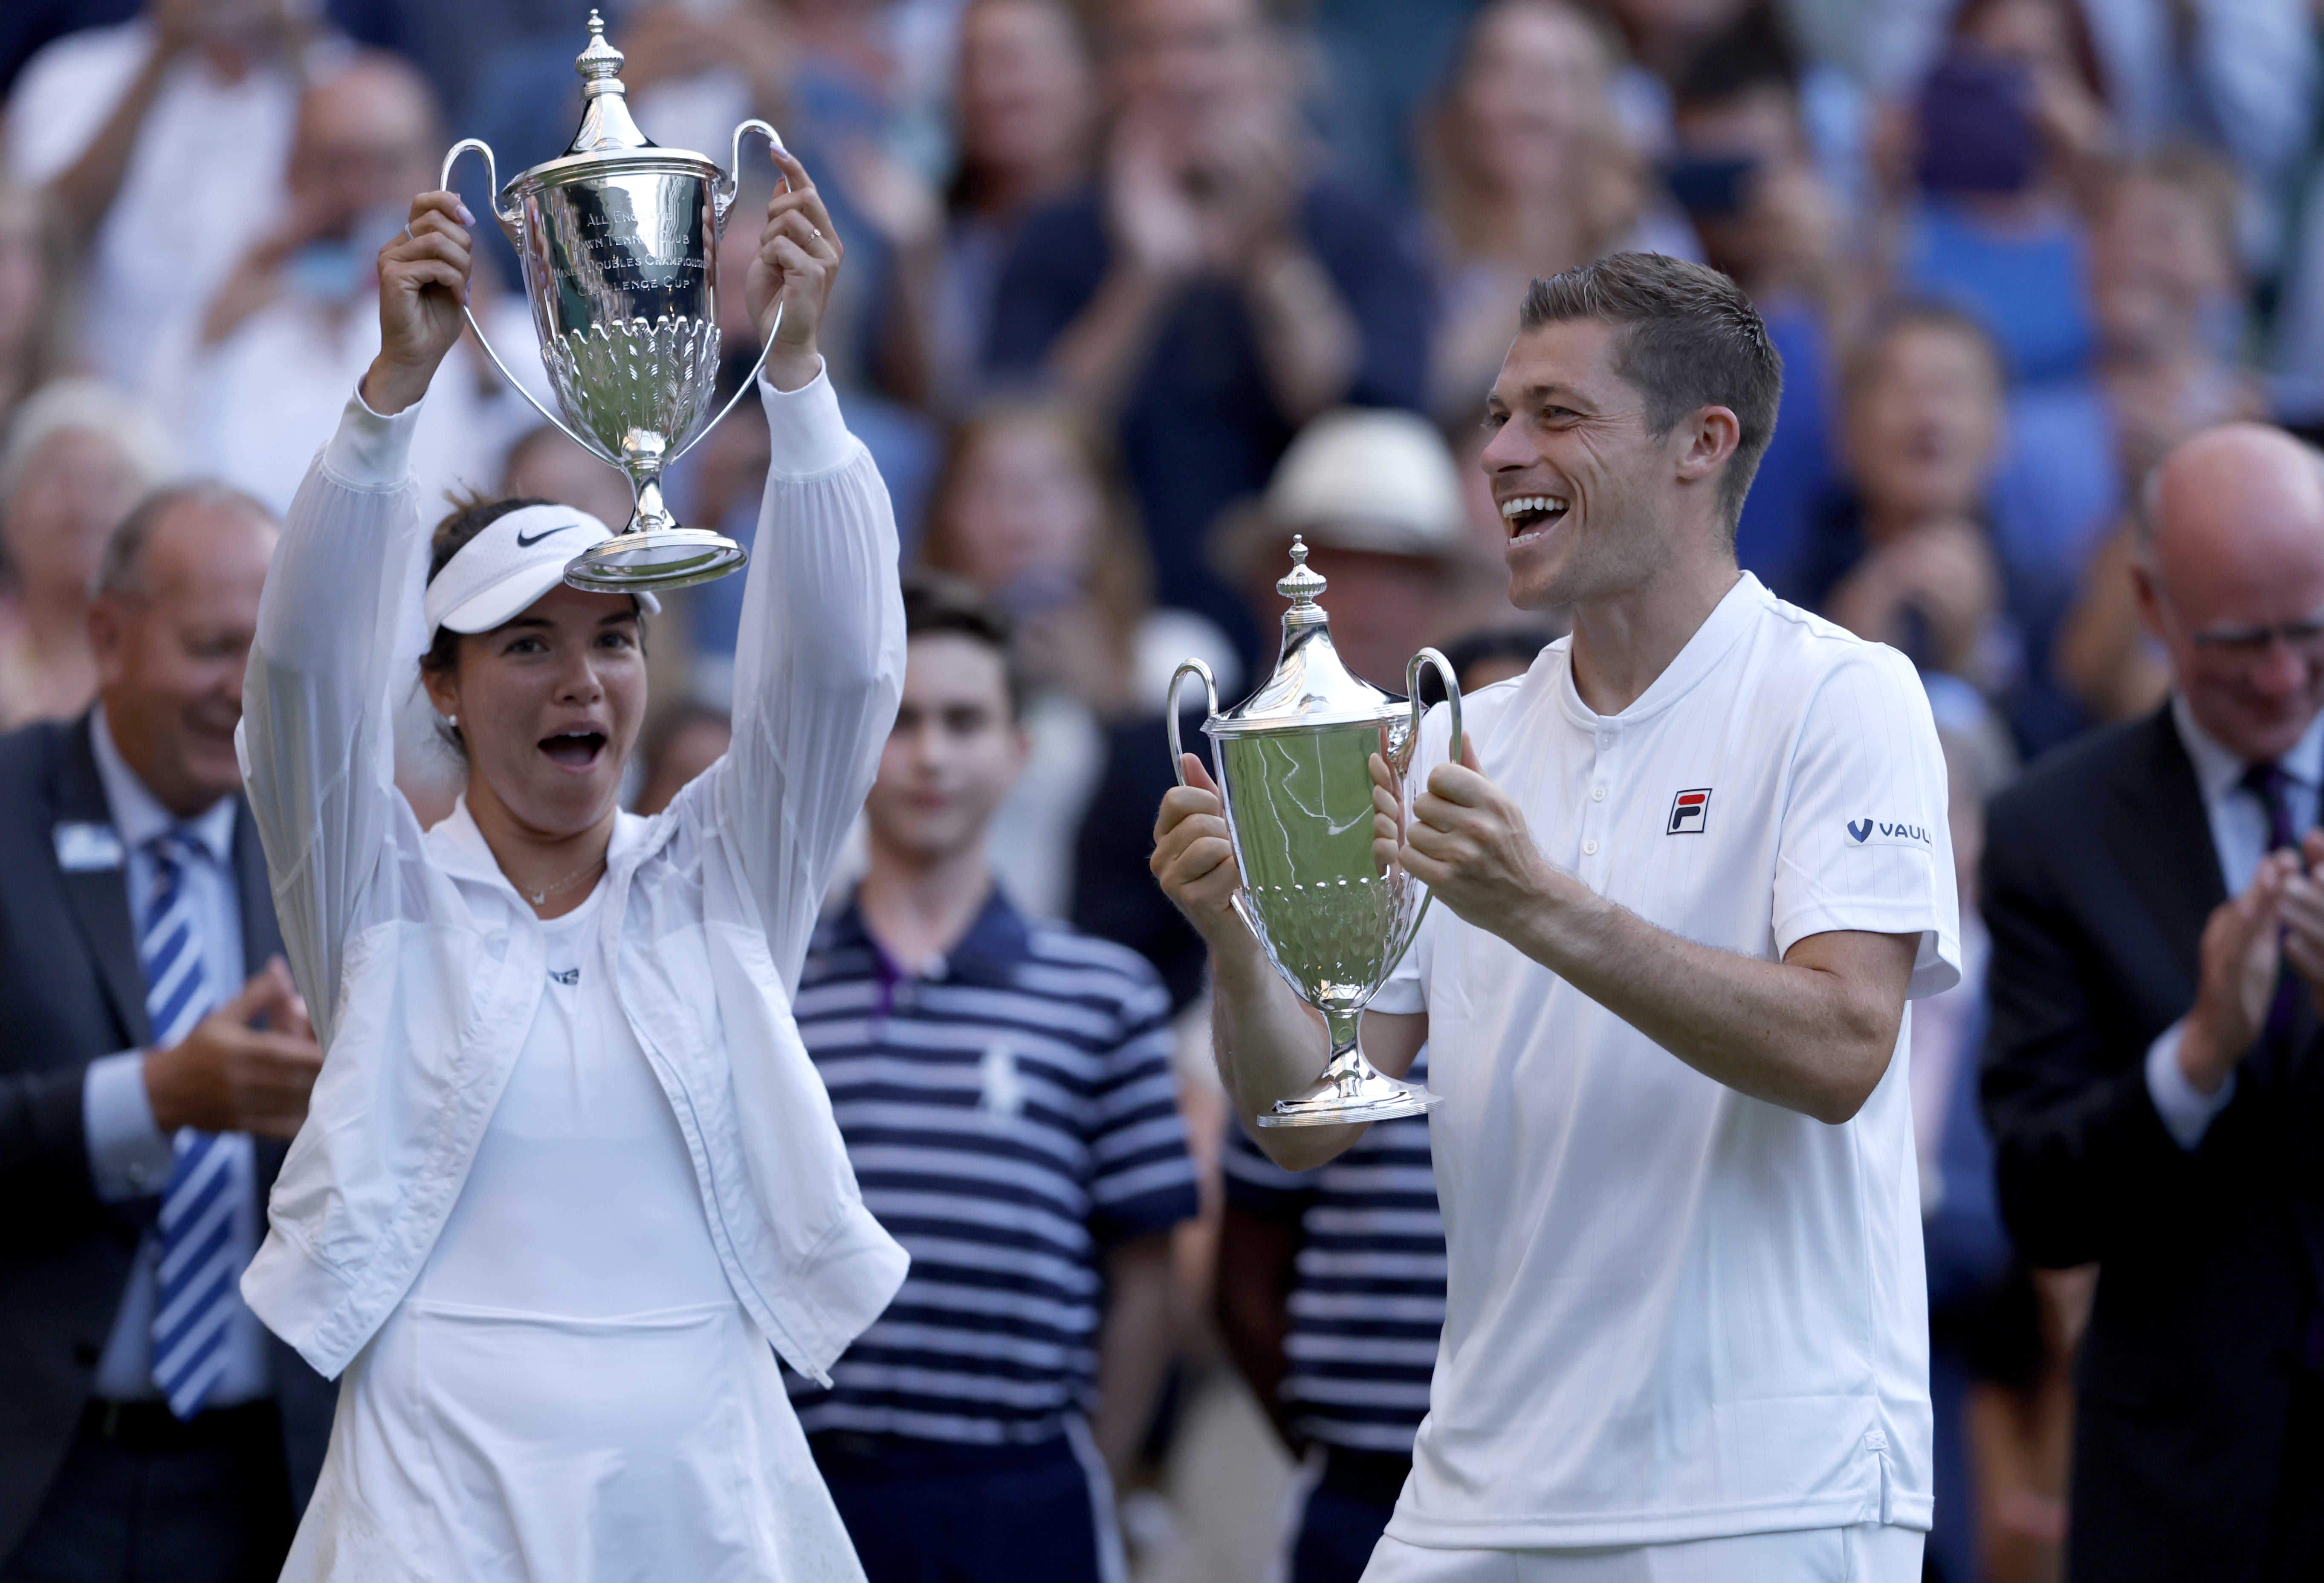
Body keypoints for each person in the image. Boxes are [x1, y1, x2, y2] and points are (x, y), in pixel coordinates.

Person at [1153, 252, 1956, 1578]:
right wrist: (1235, 938)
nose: (1501, 451)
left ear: (1702, 445)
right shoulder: (1452, 739)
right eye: (1495, 416)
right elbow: (1305, 1122)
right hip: (1472, 1491)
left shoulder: (1845, 695)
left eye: (1555, 415)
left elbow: (1840, 1048)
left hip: (1761, 1495)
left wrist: (1540, 908)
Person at [236, 153, 912, 1579]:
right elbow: (296, 676)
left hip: (707, 1502)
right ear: (438, 683)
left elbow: (845, 674)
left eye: (612, 638)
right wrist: (385, 407)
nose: (581, 683)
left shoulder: (725, 877)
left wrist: (796, 378)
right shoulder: (376, 895)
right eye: (527, 643)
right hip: (431, 1506)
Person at [790, 576, 1199, 1583]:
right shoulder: (771, 985)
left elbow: (1146, 1271)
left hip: (1019, 1491)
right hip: (798, 1483)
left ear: (1019, 752)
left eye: (964, 720)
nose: (930, 753)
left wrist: (1090, 1467)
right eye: (901, 721)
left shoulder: (1103, 995)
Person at [1980, 422, 2324, 1582]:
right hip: (2178, 1493)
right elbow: (2040, 1195)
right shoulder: (2051, 830)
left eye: (2310, 633)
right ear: (2150, 602)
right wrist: (2196, 1054)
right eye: (2239, 641)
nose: (2280, 676)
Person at [0, 481, 333, 1581]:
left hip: (265, 1484)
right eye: (210, 645)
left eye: (267, 649)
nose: (240, 690)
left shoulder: (324, 843)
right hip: (43, 1477)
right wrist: (153, 1099)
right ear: (108, 634)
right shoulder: (10, 811)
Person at [983, 0, 1431, 673]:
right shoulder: (1053, 235)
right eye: (1146, 47)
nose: (1178, 73)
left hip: (1317, 639)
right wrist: (1141, 278)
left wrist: (1270, 254)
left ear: (1280, 65)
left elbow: (1361, 428)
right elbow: (1030, 440)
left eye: (1209, 43)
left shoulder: (1359, 225)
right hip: (1107, 639)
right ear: (1111, 74)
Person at [171, 49, 537, 518]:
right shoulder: (231, 335)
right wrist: (213, 337)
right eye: (333, 165)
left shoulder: (507, 339)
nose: (359, 194)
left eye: (386, 165)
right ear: (289, 174)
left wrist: (480, 354)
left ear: (442, 174)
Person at [4, 0, 312, 391]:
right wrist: (164, 51)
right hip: (105, 402)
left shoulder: (335, 79)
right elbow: (49, 238)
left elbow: (371, 217)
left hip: (271, 407)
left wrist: (297, 46)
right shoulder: (71, 73)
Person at [1417, 0, 1651, 425]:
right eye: (1503, 69)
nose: (1532, 95)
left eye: (1563, 75)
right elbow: (1427, 399)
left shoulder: (1648, 244)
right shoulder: (1416, 246)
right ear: (1463, 99)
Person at [869, 0, 1099, 413]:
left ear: (1086, 76)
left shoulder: (1133, 222)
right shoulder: (938, 225)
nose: (989, 87)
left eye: (1013, 61)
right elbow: (934, 414)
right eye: (969, 66)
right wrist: (918, 260)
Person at [0, 380, 179, 731]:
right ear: (12, 513)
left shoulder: (179, 666)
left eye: (109, 484)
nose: (82, 504)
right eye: (60, 477)